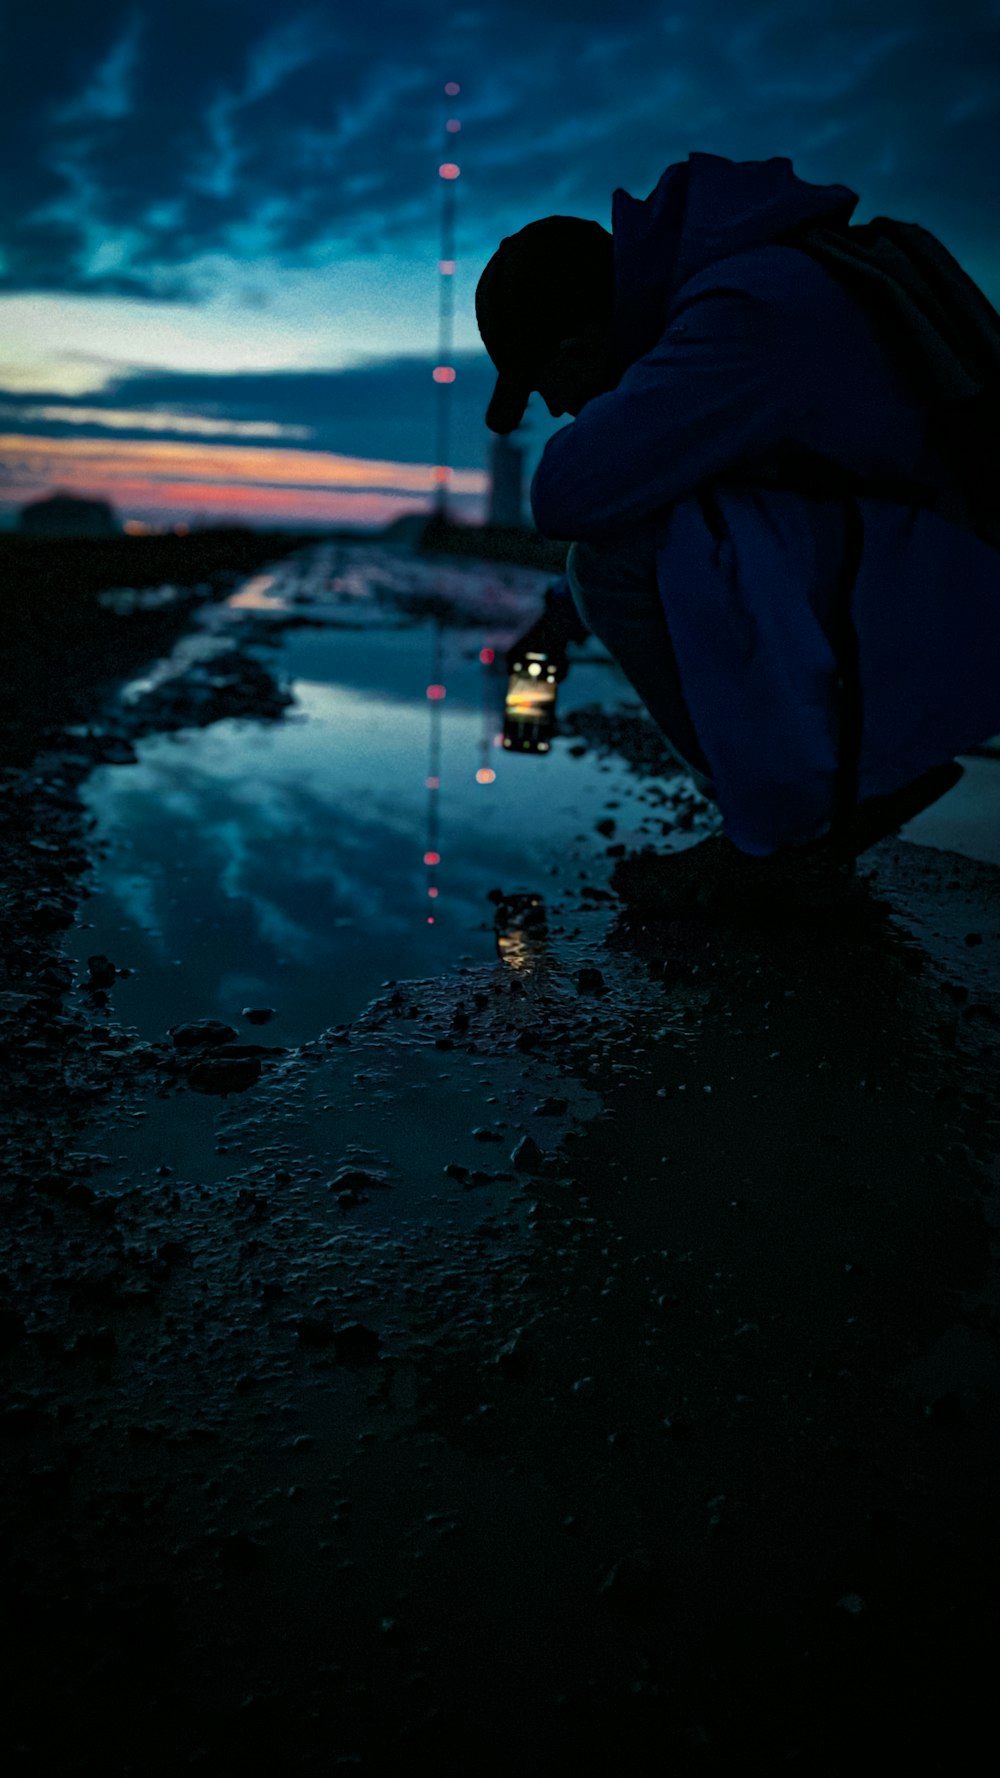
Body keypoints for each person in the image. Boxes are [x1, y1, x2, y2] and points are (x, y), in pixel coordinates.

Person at [476, 152, 1000, 916]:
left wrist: (567, 602)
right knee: (663, 506)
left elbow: (567, 493)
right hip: (941, 581)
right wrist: (555, 620)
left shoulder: (751, 308)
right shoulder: (757, 294)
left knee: (626, 549)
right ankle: (799, 810)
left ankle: (790, 830)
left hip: (965, 602)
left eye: (548, 390)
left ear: (577, 349)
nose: (559, 411)